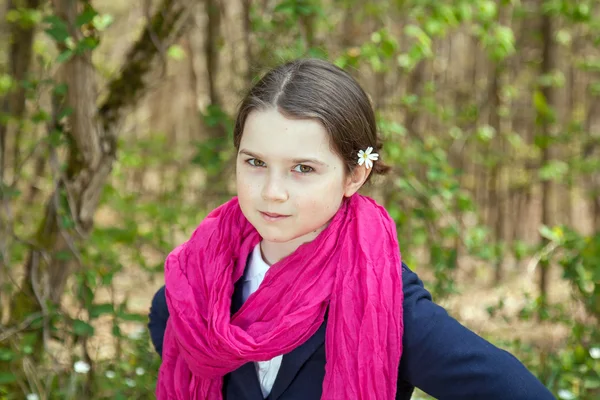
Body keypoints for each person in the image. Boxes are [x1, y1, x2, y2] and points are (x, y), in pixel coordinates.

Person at [148, 58, 556, 400]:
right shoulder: (186, 300)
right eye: (255, 162)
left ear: (354, 175)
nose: (272, 192)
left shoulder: (384, 299)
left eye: (303, 169)